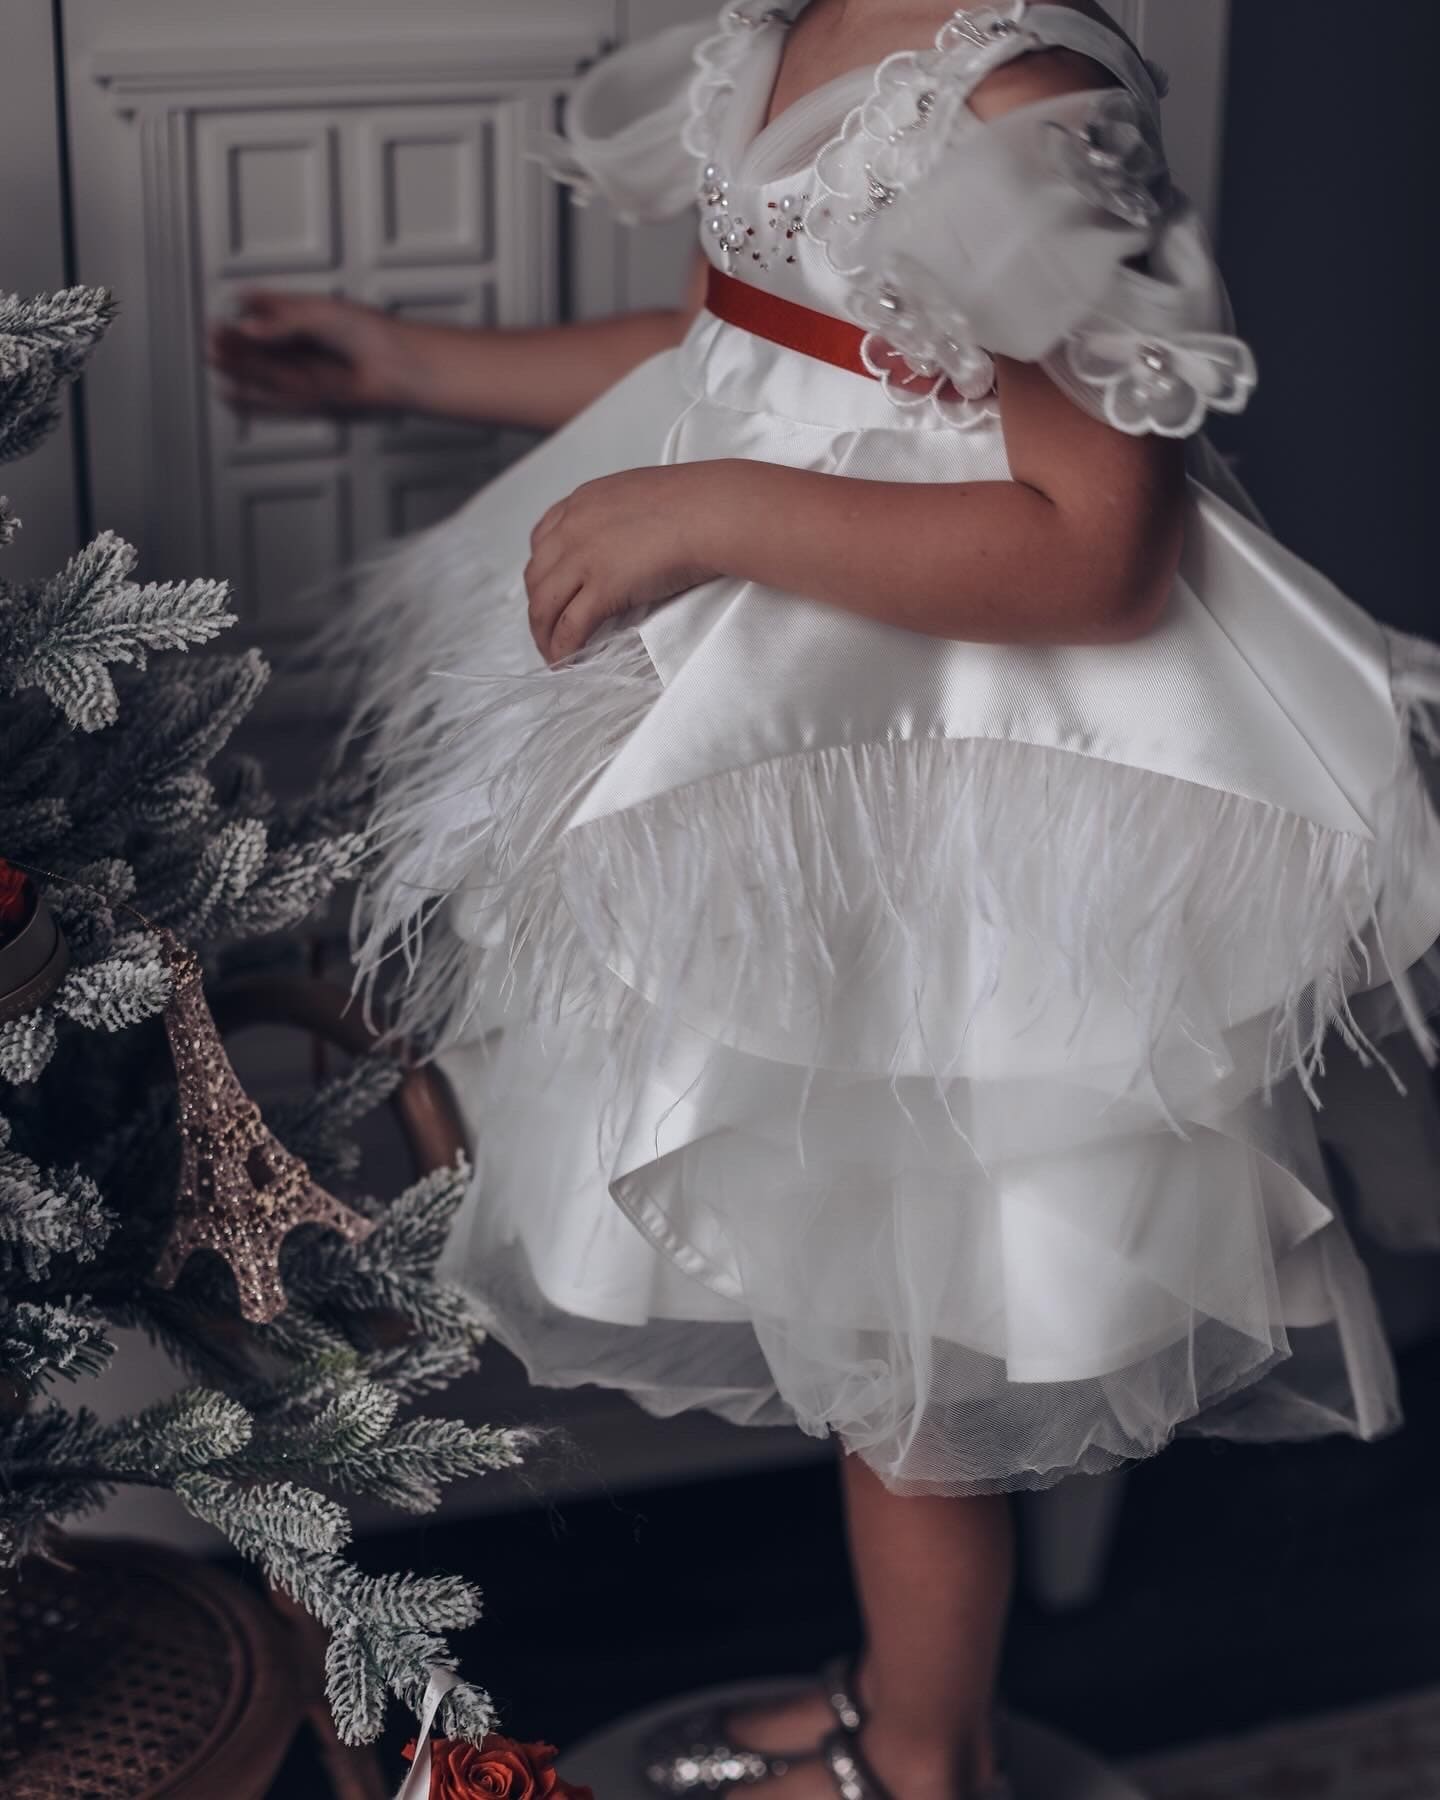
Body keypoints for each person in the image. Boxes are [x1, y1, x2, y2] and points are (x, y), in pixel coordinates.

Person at [210, 4, 1440, 1797]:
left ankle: (927, 1761)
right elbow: (744, 353)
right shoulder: (787, 30)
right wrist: (415, 362)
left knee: (916, 1333)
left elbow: (1097, 545)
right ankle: (888, 1697)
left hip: (937, 762)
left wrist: (705, 517)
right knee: (831, 1285)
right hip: (776, 739)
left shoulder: (1021, 106)